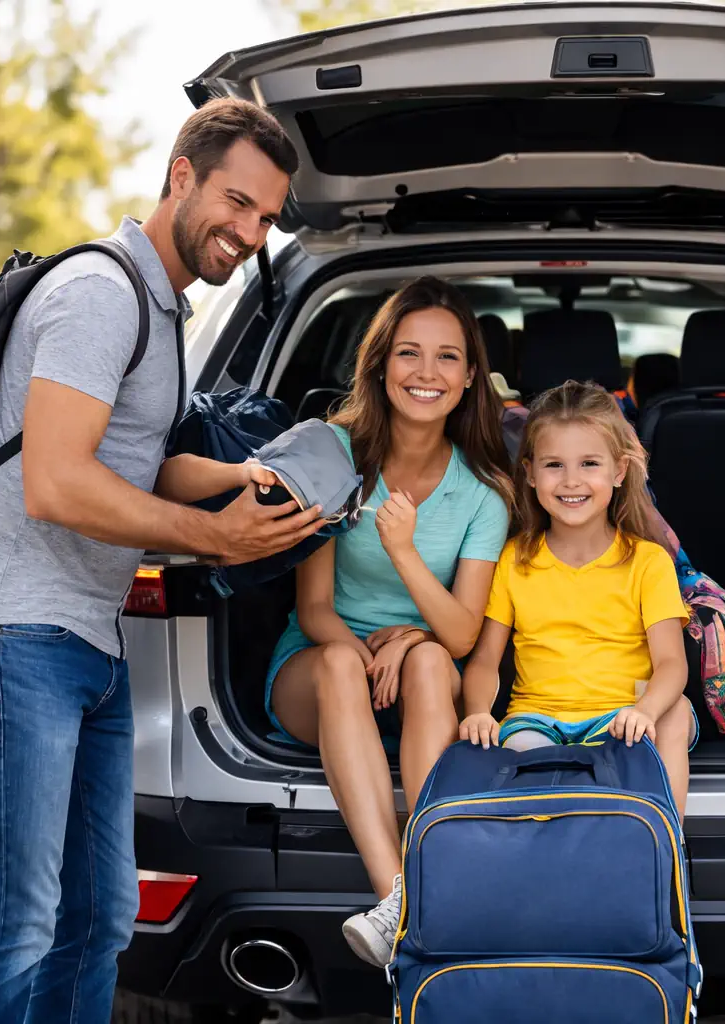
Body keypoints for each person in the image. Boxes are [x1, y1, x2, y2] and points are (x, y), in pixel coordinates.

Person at [0, 98, 323, 1024]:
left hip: (86, 643)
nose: (250, 232)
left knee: (96, 917)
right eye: (237, 202)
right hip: (14, 633)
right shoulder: (100, 295)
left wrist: (244, 475)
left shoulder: (160, 304)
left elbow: (130, 457)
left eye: (266, 218)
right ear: (179, 175)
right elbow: (56, 484)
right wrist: (217, 537)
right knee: (12, 921)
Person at [265, 277, 514, 967]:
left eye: (446, 358)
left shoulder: (483, 492)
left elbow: (463, 634)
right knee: (346, 663)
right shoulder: (333, 455)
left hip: (423, 673)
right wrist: (369, 652)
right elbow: (314, 607)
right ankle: (401, 897)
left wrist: (405, 563)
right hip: (322, 666)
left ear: (470, 379)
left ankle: (413, 889)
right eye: (408, 353)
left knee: (434, 659)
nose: (426, 373)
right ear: (379, 365)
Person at [458, 381, 698, 818]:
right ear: (530, 473)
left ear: (619, 471)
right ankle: (550, 838)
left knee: (675, 711)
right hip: (537, 718)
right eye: (554, 465)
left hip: (624, 718)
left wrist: (644, 711)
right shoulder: (515, 559)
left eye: (589, 463)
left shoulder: (648, 562)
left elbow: (670, 664)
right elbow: (485, 661)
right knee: (528, 771)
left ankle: (663, 843)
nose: (571, 481)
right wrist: (477, 712)